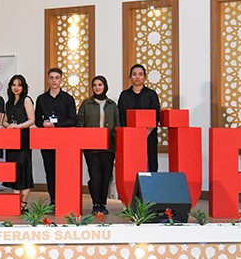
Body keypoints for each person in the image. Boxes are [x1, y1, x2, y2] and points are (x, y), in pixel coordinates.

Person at [34, 67, 77, 206]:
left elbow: (73, 120)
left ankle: (64, 199)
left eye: (57, 78)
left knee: (64, 171)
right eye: (51, 78)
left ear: (61, 80)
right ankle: (53, 200)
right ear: (48, 80)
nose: (54, 80)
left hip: (64, 141)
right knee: (50, 171)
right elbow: (36, 119)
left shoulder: (68, 99)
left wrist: (56, 125)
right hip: (47, 140)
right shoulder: (41, 99)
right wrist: (43, 124)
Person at [77, 75, 119, 215]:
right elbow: (80, 124)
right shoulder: (86, 104)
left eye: (100, 85)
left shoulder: (112, 105)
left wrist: (116, 145)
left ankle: (103, 203)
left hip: (108, 146)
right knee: (95, 176)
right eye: (95, 85)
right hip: (91, 147)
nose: (97, 87)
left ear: (105, 86)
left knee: (106, 176)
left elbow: (117, 126)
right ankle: (96, 204)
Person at [118, 63, 161, 171]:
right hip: (130, 137)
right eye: (134, 74)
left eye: (140, 74)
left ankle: (151, 182)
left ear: (145, 77)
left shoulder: (151, 94)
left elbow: (156, 115)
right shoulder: (124, 95)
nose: (137, 77)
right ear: (130, 77)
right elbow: (122, 116)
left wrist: (144, 133)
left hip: (149, 135)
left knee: (151, 164)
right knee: (131, 165)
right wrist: (133, 135)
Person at [2, 74, 35, 213]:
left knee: (24, 171)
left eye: (19, 85)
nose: (16, 88)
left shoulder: (26, 100)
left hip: (23, 140)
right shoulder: (8, 102)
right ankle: (15, 201)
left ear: (23, 87)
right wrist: (9, 126)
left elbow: (32, 120)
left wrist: (19, 126)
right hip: (11, 141)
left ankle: (23, 203)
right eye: (14, 85)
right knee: (14, 171)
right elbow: (4, 121)